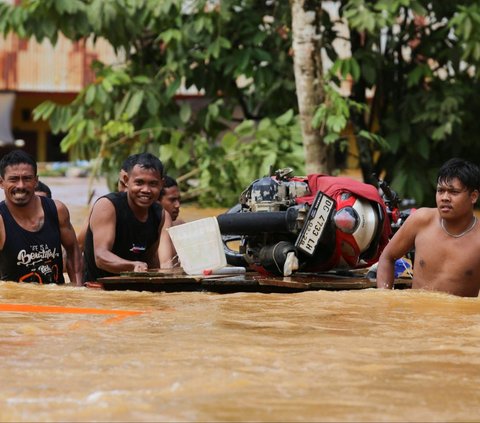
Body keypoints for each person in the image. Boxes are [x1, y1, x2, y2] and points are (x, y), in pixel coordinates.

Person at [376, 158, 480, 297]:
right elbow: (387, 257)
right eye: (440, 190)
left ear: (473, 197)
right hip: (416, 316)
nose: (445, 197)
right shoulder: (421, 220)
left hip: (456, 317)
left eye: (453, 192)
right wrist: (384, 299)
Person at [83, 152, 175, 282]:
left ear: (161, 184)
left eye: (153, 184)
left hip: (135, 288)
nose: (146, 190)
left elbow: (151, 260)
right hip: (98, 289)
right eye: (139, 182)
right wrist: (132, 266)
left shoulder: (160, 215)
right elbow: (101, 257)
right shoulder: (108, 206)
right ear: (126, 180)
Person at [0, 150, 83, 286]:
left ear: (36, 181)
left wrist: (78, 290)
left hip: (56, 298)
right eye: (13, 179)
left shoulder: (57, 210)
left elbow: (73, 251)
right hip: (16, 303)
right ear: (1, 183)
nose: (20, 186)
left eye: (27, 178)